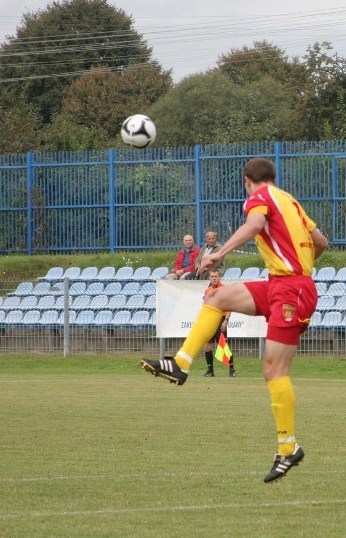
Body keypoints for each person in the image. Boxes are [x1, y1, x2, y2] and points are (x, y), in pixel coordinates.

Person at [140, 157, 328, 483]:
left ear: (247, 180)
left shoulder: (260, 198)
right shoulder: (290, 201)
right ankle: (180, 364)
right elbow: (321, 242)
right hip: (281, 283)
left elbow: (254, 225)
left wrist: (218, 253)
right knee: (217, 296)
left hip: (291, 289)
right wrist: (300, 266)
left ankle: (288, 449)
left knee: (274, 370)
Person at [201, 269, 236, 378]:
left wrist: (226, 320)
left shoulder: (224, 289)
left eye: (216, 276)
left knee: (224, 346)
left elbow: (229, 306)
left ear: (219, 277)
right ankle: (210, 371)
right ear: (209, 278)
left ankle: (232, 369)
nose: (214, 278)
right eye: (212, 276)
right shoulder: (207, 291)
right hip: (210, 320)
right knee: (207, 346)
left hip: (221, 320)